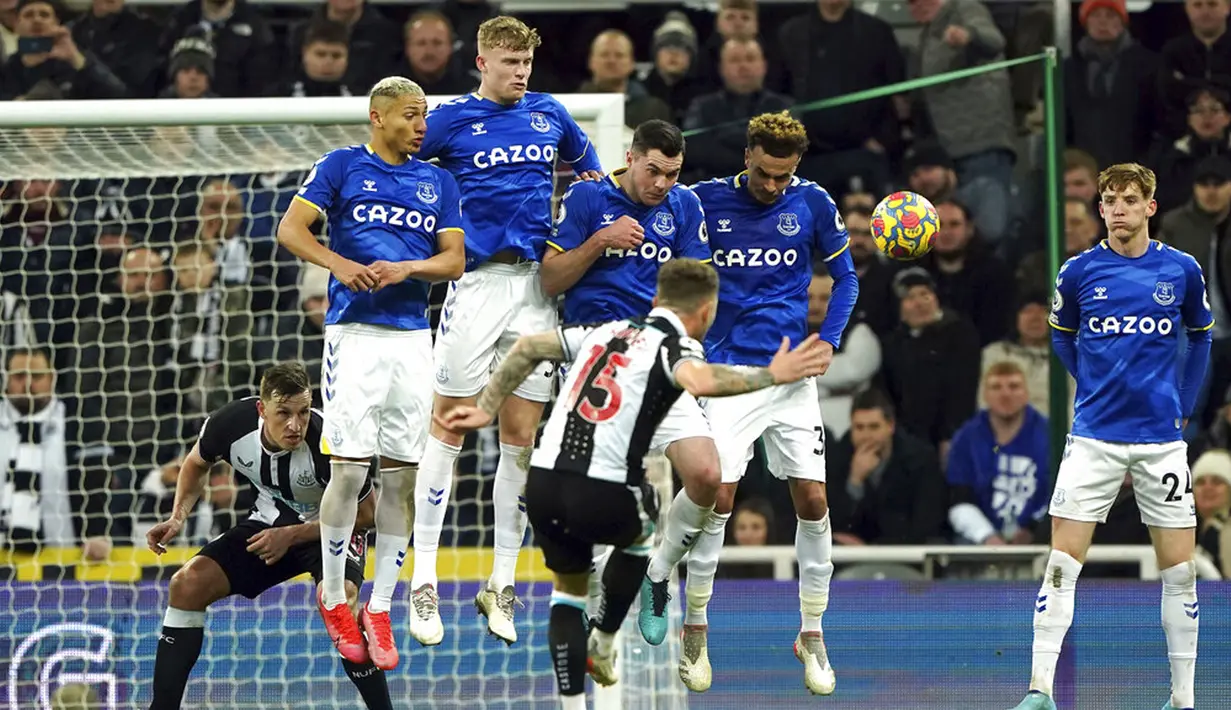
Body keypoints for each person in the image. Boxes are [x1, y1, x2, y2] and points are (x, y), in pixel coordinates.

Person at [437, 258, 832, 709]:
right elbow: (703, 380)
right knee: (644, 531)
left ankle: (572, 700)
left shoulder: (603, 332)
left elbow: (527, 347)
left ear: (654, 299)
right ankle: (607, 634)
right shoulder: (674, 349)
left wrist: (487, 409)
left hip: (544, 485)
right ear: (706, 312)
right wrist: (770, 375)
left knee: (567, 597)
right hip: (604, 492)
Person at [411, 15, 604, 646]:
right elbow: (401, 163)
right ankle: (426, 580)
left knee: (520, 437)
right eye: (509, 61)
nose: (520, 72)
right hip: (476, 285)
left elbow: (590, 175)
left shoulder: (551, 114)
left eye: (526, 61)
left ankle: (500, 584)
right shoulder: (447, 119)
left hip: (536, 291)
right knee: (449, 427)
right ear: (481, 62)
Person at [277, 76, 466, 669]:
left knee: (403, 481)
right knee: (351, 473)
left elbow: (455, 259)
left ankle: (379, 606)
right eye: (412, 115)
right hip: (353, 337)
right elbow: (290, 229)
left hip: (414, 340)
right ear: (378, 116)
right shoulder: (339, 166)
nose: (421, 126)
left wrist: (408, 267)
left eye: (425, 117)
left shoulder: (439, 180)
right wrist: (341, 263)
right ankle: (335, 594)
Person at [1011, 162, 1214, 710]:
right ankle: (1040, 691)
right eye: (1108, 200)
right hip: (1095, 436)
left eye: (1128, 199)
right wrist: (1093, 382)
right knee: (1060, 563)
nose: (1117, 208)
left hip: (1161, 441)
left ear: (1150, 206)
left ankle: (1182, 698)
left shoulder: (1182, 270)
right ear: (1099, 208)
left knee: (1182, 573)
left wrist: (1184, 407)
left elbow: (1201, 337)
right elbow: (1062, 337)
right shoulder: (1077, 272)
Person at [680, 111, 857, 695]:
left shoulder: (813, 203)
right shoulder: (704, 201)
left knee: (813, 497)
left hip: (792, 374)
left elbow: (847, 279)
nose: (774, 186)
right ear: (748, 153)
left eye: (784, 177)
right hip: (728, 370)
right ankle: (696, 624)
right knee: (718, 495)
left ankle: (812, 631)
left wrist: (828, 339)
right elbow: (654, 207)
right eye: (764, 173)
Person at [542, 118, 722, 648]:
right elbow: (550, 280)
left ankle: (659, 575)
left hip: (661, 358)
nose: (661, 184)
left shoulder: (684, 206)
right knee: (597, 502)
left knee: (707, 475)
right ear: (631, 156)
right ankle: (590, 596)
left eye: (671, 173)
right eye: (653, 171)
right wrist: (601, 240)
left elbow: (698, 284)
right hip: (597, 363)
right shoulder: (585, 201)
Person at [146, 363, 392, 710]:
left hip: (332, 529)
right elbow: (195, 463)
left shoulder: (331, 440)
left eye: (303, 412)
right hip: (269, 522)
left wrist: (292, 535)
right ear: (262, 410)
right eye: (284, 413)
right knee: (187, 584)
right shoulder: (229, 425)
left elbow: (366, 516)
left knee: (340, 604)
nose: (295, 425)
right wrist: (177, 517)